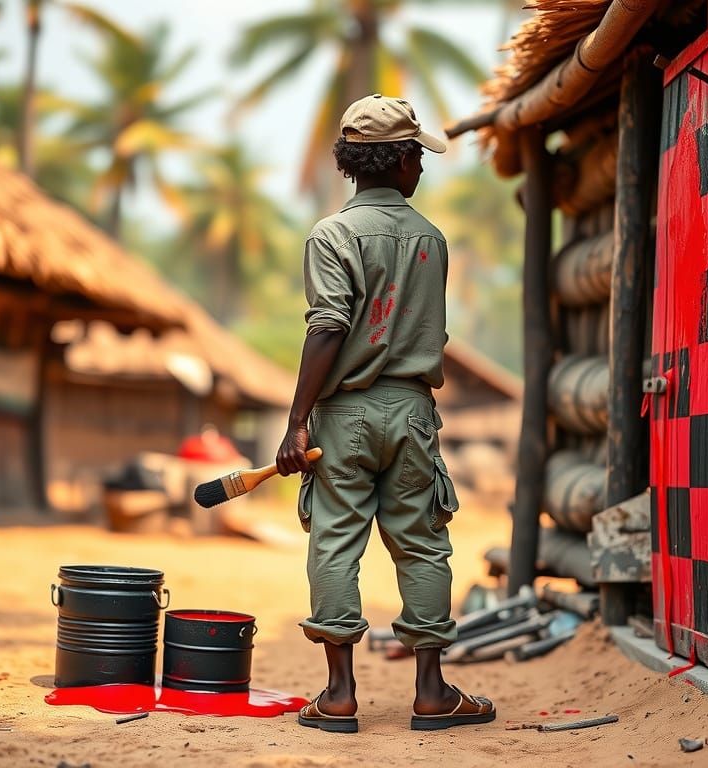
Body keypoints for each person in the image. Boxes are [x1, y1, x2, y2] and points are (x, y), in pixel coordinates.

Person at [275, 94, 495, 734]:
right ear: (400, 162)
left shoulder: (330, 235)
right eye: (417, 158)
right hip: (411, 414)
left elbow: (328, 327)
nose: (421, 170)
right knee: (423, 543)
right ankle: (431, 691)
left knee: (335, 540)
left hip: (343, 417)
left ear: (350, 164)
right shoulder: (432, 238)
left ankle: (339, 694)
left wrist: (298, 420)